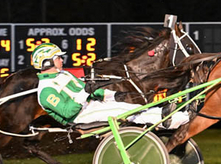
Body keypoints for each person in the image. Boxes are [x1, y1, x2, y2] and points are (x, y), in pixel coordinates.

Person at [31, 42, 188, 128]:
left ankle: (166, 114)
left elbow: (90, 91)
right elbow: (68, 112)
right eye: (58, 57)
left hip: (92, 105)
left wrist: (112, 95)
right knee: (127, 111)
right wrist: (85, 92)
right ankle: (173, 119)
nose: (61, 60)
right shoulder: (45, 91)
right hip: (80, 116)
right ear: (47, 62)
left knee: (127, 104)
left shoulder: (63, 74)